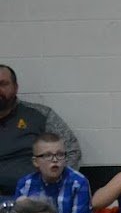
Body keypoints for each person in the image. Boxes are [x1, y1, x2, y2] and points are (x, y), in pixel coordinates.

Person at [0, 64, 81, 198]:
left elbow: (72, 151)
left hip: (33, 199)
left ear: (15, 88)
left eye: (3, 84)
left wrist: (54, 184)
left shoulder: (40, 115)